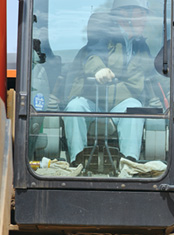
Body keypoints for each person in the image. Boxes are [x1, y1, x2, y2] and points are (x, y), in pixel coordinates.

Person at [63, 0, 152, 165]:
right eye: (141, 14)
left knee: (135, 109)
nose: (145, 20)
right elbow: (92, 54)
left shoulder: (141, 47)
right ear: (125, 16)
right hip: (92, 100)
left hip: (120, 103)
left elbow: (150, 78)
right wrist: (98, 69)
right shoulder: (104, 37)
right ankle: (77, 162)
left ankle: (129, 164)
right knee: (74, 108)